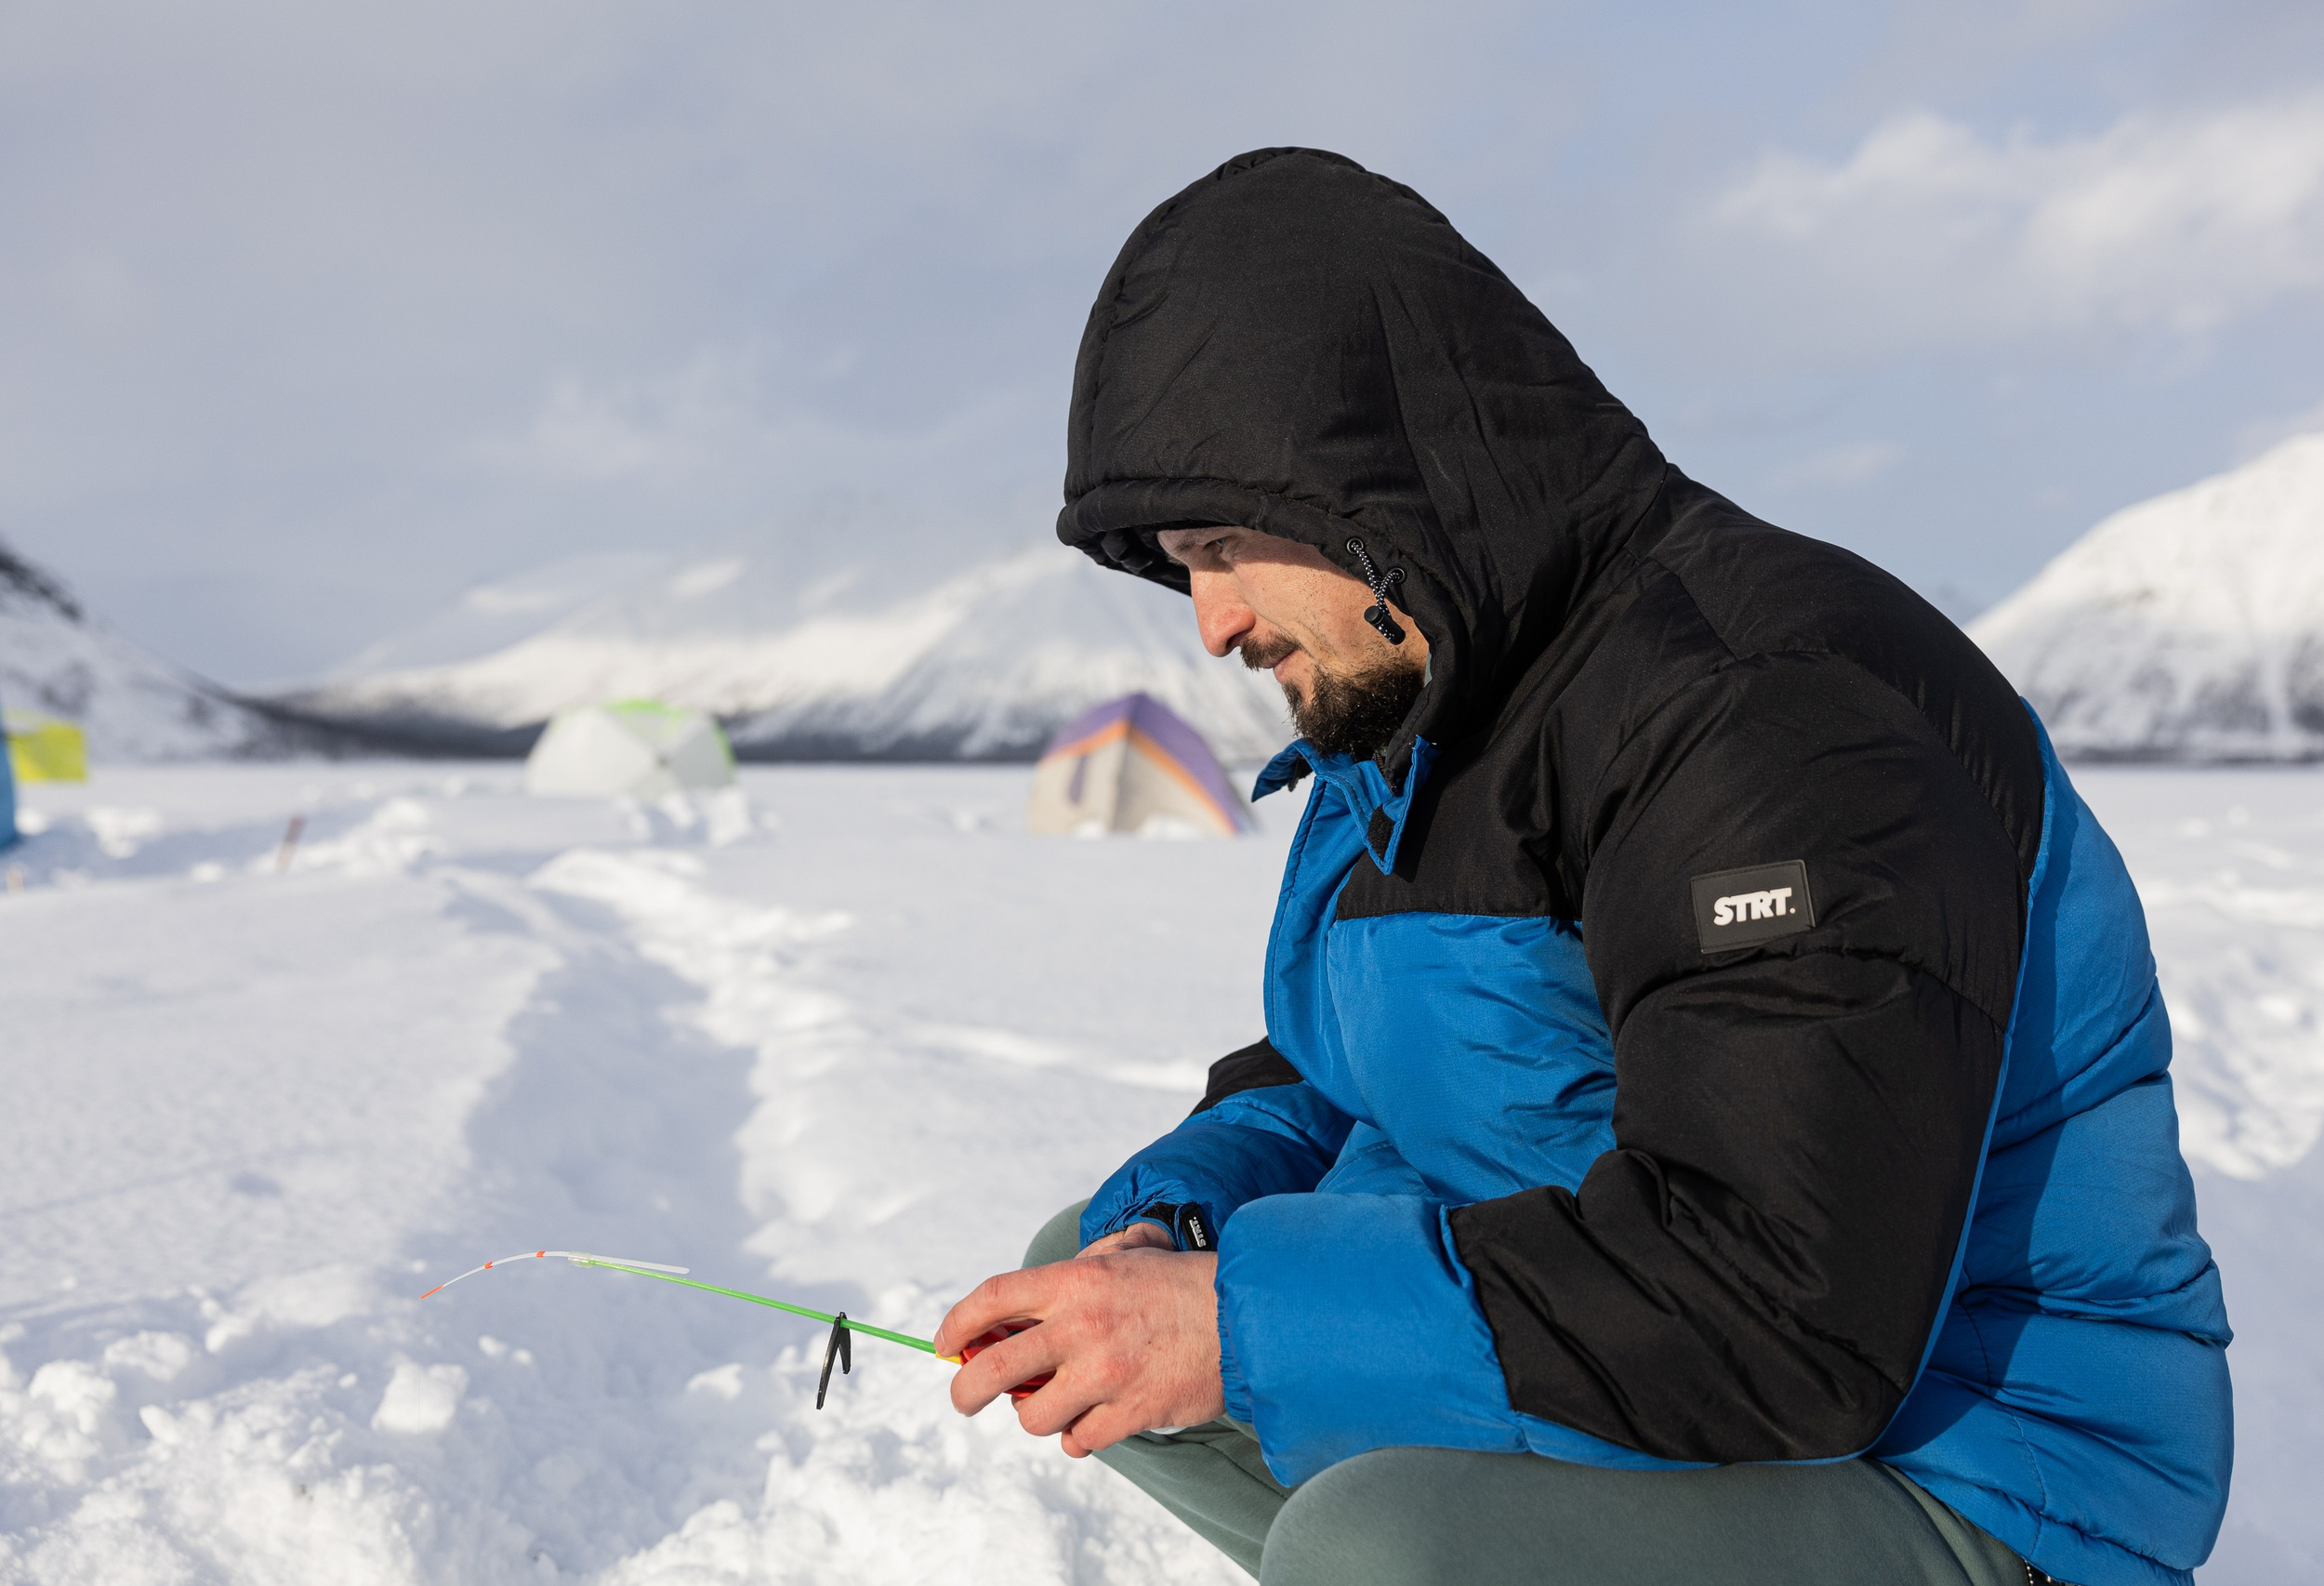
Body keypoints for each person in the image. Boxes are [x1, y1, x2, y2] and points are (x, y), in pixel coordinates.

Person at [933, 148, 2232, 1586]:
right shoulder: (1417, 707)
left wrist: (1237, 1327)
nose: (1213, 622)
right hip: (1698, 1389)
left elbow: (1787, 1310)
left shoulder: (1764, 710)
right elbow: (1342, 1071)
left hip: (1966, 1458)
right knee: (1096, 1276)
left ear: (1355, 476)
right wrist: (1178, 1223)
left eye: (1223, 543)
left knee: (1380, 1546)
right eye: (1182, 566)